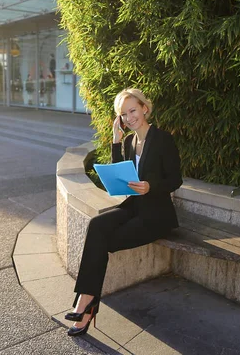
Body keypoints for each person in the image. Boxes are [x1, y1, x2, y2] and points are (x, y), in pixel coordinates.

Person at [65, 88, 183, 336]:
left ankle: (86, 305)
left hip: (157, 215)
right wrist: (116, 140)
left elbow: (175, 179)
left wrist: (151, 186)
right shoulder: (129, 141)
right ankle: (86, 300)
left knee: (103, 241)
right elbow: (120, 172)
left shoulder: (162, 139)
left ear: (144, 109)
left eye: (133, 110)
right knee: (97, 225)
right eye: (124, 114)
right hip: (134, 207)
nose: (130, 118)